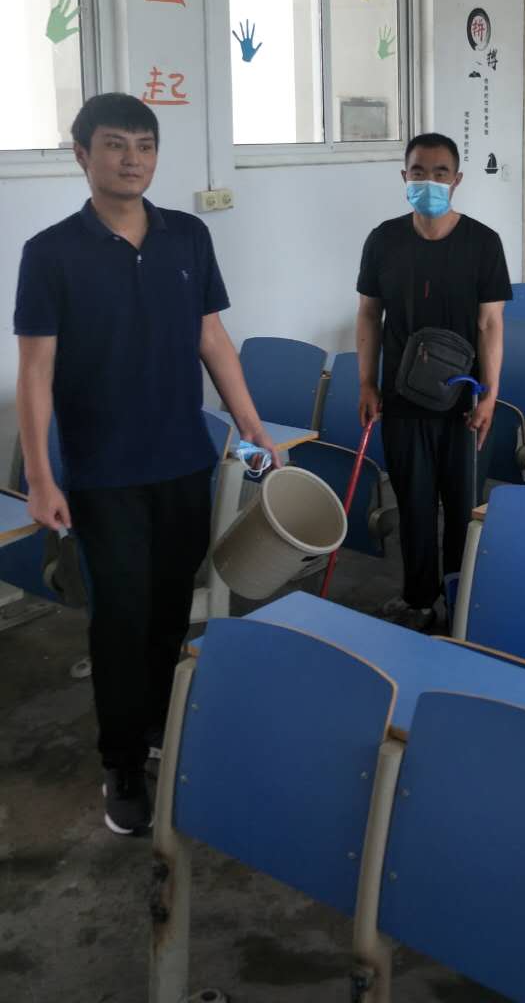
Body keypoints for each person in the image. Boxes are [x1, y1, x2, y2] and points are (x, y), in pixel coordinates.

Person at [14, 93, 277, 837]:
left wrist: (251, 425)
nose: (132, 159)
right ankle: (122, 763)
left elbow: (212, 338)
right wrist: (40, 476)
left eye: (145, 145)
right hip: (103, 474)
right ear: (82, 154)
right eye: (115, 144)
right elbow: (35, 373)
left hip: (183, 461)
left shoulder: (187, 236)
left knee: (167, 610)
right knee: (120, 619)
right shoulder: (50, 253)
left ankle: (160, 722)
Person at [356, 133, 511, 631]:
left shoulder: (483, 243)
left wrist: (490, 393)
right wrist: (366, 382)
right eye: (418, 172)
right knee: (414, 504)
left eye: (440, 172)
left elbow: (490, 324)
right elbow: (369, 314)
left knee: (462, 508)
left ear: (457, 179)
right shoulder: (384, 239)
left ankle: (460, 600)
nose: (429, 181)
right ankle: (419, 598)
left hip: (463, 400)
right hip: (402, 399)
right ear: (404, 177)